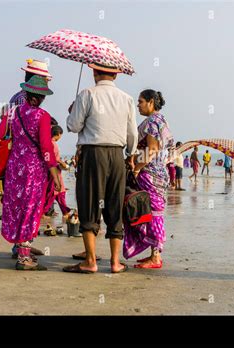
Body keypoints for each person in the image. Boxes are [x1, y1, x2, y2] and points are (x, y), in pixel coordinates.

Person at [64, 62, 138, 274]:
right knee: (114, 205)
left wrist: (73, 111)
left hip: (92, 154)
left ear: (94, 72)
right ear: (116, 75)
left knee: (89, 204)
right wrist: (131, 155)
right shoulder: (127, 98)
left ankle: (90, 261)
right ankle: (115, 262)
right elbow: (132, 133)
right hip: (117, 155)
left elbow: (72, 126)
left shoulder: (87, 94)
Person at [0, 76, 61, 271]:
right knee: (30, 209)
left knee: (18, 207)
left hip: (15, 167)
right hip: (33, 171)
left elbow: (1, 135)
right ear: (40, 97)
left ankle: (19, 247)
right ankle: (25, 258)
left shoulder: (14, 113)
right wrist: (55, 172)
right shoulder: (43, 116)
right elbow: (46, 147)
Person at [123, 89, 174, 269]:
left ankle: (156, 257)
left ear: (151, 102)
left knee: (151, 213)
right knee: (152, 212)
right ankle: (154, 253)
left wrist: (136, 169)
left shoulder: (152, 122)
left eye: (141, 102)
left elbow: (152, 150)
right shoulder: (163, 121)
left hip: (150, 174)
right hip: (161, 173)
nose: (138, 105)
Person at [51, 125, 71, 219]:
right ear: (58, 134)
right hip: (55, 172)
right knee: (60, 194)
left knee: (51, 195)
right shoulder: (53, 144)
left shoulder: (48, 143)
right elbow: (55, 159)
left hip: (50, 172)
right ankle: (66, 214)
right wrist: (63, 164)